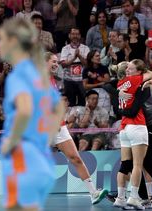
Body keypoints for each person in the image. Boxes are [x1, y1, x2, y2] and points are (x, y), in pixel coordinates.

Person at [0, 18, 64, 210]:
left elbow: (24, 110)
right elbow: (58, 107)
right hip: (40, 157)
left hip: (22, 157)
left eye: (1, 39)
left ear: (14, 43)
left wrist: (12, 141)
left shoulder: (19, 75)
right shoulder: (38, 75)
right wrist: (45, 136)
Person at [46, 51, 109, 204]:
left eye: (56, 62)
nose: (56, 64)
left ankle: (93, 193)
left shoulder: (53, 80)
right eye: (53, 61)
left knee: (76, 158)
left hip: (59, 128)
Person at [114, 61, 152, 209]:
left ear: (139, 71)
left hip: (150, 124)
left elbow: (132, 109)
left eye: (130, 69)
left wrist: (121, 107)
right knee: (134, 164)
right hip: (137, 126)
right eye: (126, 69)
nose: (128, 71)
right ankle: (139, 197)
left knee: (147, 163)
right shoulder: (133, 82)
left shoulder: (141, 85)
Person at [60, 28, 90, 106]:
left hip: (82, 80)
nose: (75, 36)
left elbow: (87, 64)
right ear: (69, 36)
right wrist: (74, 57)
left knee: (82, 103)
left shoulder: (85, 48)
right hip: (69, 80)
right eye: (73, 34)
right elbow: (63, 64)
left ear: (80, 36)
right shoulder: (65, 48)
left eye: (77, 34)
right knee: (70, 103)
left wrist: (79, 56)